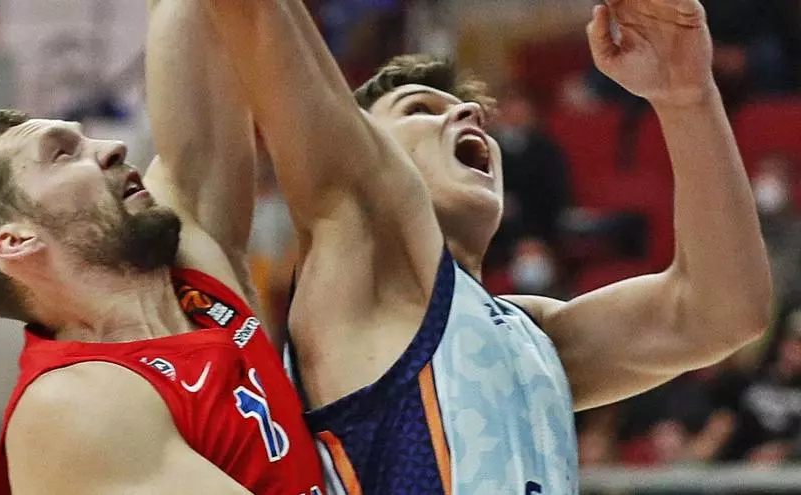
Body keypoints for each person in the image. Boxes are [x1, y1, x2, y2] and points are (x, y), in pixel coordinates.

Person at [208, 0, 770, 493]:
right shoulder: (356, 264)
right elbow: (257, 17)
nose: (468, 112)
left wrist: (687, 96)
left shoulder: (532, 334)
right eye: (419, 110)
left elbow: (721, 311)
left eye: (466, 109)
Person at [0, 1, 324, 493]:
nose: (111, 148)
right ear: (17, 241)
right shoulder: (70, 405)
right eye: (62, 155)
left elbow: (192, 17)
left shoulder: (191, 274)